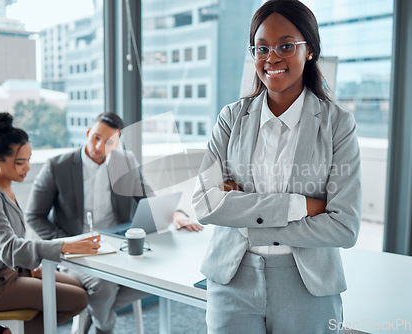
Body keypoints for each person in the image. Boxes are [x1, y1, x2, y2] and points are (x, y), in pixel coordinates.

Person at [192, 0, 362, 333]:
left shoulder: (338, 124)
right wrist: (302, 206)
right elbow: (204, 203)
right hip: (232, 279)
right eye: (261, 48)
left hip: (308, 284)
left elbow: (344, 227)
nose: (272, 58)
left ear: (309, 50)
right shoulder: (230, 118)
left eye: (286, 46)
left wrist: (244, 216)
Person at [26, 112, 202, 334]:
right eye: (96, 137)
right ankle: (105, 327)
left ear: (116, 143)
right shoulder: (57, 166)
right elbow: (34, 215)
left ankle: (93, 311)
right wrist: (68, 243)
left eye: (108, 141)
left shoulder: (125, 161)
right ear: (88, 133)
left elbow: (148, 198)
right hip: (77, 250)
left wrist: (176, 213)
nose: (99, 145)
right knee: (104, 285)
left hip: (116, 247)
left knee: (160, 276)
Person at [0, 112, 101, 334]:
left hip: (10, 272)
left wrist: (28, 266)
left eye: (28, 159)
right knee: (78, 299)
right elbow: (9, 248)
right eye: (20, 162)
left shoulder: (4, 186)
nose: (27, 167)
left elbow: (7, 244)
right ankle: (3, 332)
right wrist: (63, 246)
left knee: (78, 288)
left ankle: (11, 330)